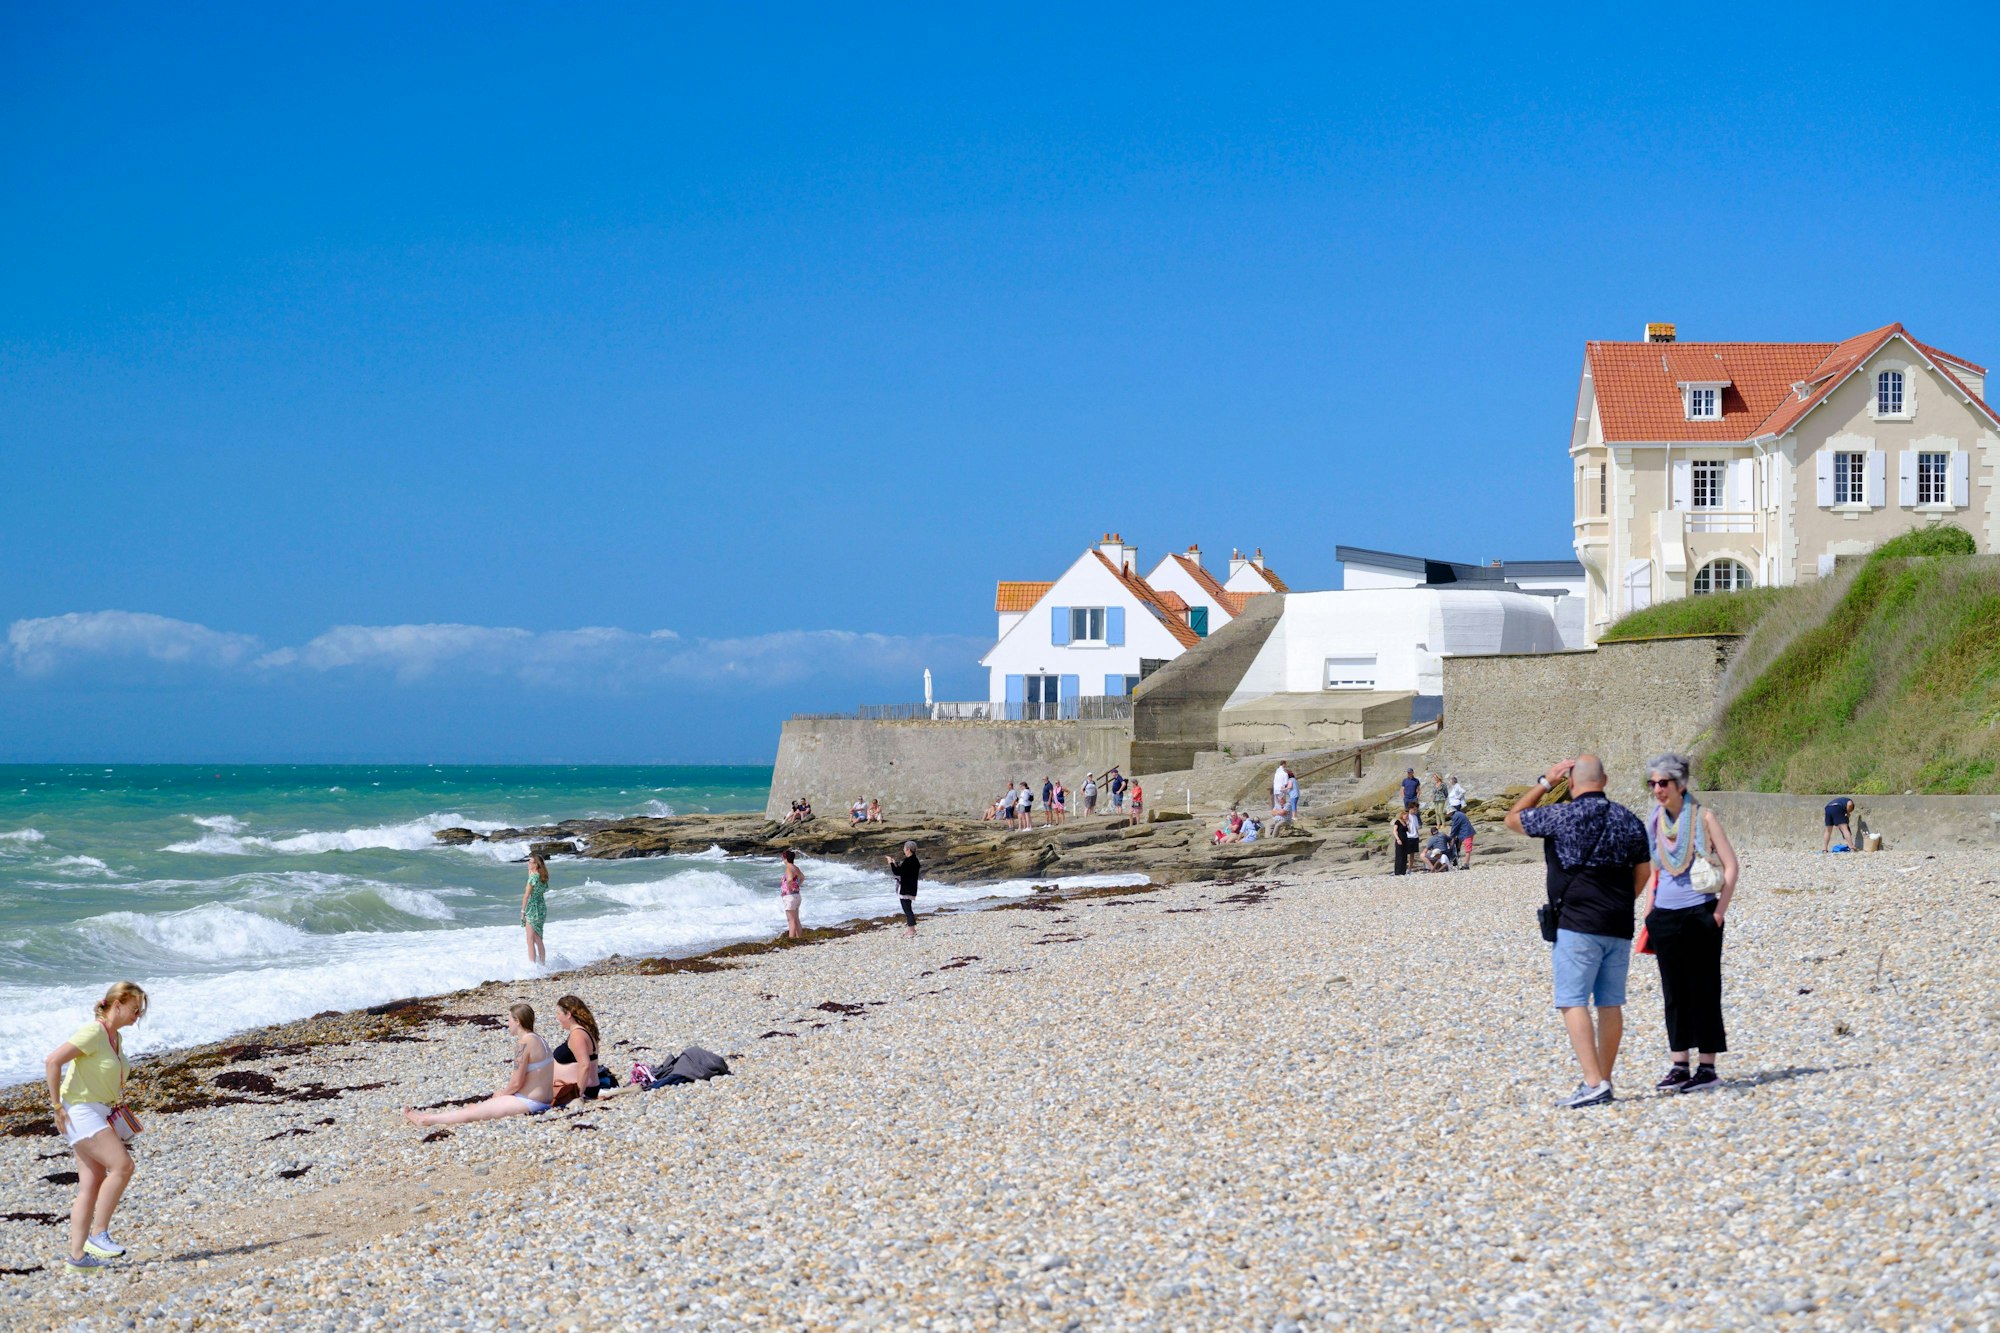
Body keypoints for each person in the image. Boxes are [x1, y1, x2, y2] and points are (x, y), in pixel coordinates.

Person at [1507, 755, 1653, 1110]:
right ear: (1604, 779)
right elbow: (1645, 872)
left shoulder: (1562, 815)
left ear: (1570, 783)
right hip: (1618, 924)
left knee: (1572, 1001)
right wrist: (1621, 901)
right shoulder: (1628, 819)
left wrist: (1545, 781)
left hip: (1577, 924)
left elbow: (1512, 819)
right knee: (1610, 1003)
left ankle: (1592, 1082)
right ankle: (1603, 1080)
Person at [1641, 753, 1740, 1093]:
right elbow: (1655, 868)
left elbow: (1731, 866)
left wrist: (1718, 913)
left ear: (1680, 784)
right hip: (1664, 916)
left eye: (1663, 783)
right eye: (1652, 783)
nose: (1657, 789)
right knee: (1674, 992)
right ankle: (1679, 1064)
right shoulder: (1655, 819)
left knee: (1704, 989)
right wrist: (1649, 910)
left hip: (1700, 912)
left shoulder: (1704, 817)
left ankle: (1708, 1067)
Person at [45, 981, 147, 1273]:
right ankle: (98, 1235)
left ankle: (77, 1259)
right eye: (134, 1009)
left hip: (99, 1112)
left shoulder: (115, 1037)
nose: (137, 1016)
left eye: (139, 1011)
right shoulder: (94, 1032)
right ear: (117, 1004)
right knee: (123, 1167)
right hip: (80, 1111)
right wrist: (56, 1107)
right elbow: (53, 1061)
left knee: (90, 1184)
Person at [403, 1002, 555, 1127]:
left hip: (529, 1102)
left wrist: (502, 1093)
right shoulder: (540, 1040)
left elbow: (516, 1082)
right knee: (477, 1108)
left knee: (472, 1112)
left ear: (517, 1021)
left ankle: (426, 1120)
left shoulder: (523, 1044)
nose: (507, 1024)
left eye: (509, 1019)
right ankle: (429, 1117)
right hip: (544, 1099)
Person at [550, 994, 602, 1103]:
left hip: (580, 1089)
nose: (557, 1017)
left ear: (568, 1014)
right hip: (582, 1087)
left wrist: (577, 1095)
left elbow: (585, 1065)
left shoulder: (577, 1035)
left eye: (558, 1013)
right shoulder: (584, 1031)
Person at [886, 841, 921, 937]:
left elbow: (897, 872)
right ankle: (912, 929)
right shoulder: (915, 860)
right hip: (911, 888)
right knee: (908, 909)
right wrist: (894, 863)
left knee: (907, 910)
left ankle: (911, 930)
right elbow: (903, 872)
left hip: (906, 889)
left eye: (904, 849)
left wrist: (891, 863)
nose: (904, 850)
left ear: (908, 849)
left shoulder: (909, 861)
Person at [520, 853, 549, 966]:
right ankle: (542, 964)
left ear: (536, 864)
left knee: (530, 939)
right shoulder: (543, 876)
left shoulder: (533, 877)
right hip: (541, 908)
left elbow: (527, 895)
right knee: (538, 938)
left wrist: (522, 911)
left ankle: (532, 966)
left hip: (533, 908)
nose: (528, 863)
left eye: (530, 862)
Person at [779, 847, 804, 941]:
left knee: (791, 920)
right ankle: (799, 938)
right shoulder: (796, 868)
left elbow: (789, 879)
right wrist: (797, 885)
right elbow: (802, 878)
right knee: (796, 919)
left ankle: (791, 940)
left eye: (783, 858)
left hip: (790, 896)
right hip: (797, 895)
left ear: (785, 859)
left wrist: (789, 888)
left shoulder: (788, 868)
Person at [1389, 803, 1420, 875]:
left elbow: (1416, 827)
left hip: (1414, 836)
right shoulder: (1405, 816)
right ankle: (1400, 869)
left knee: (1412, 853)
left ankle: (1409, 869)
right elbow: (1396, 829)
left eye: (1416, 809)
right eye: (1414, 809)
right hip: (1407, 837)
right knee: (1404, 853)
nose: (1415, 811)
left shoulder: (1415, 817)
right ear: (1410, 808)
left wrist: (1417, 835)